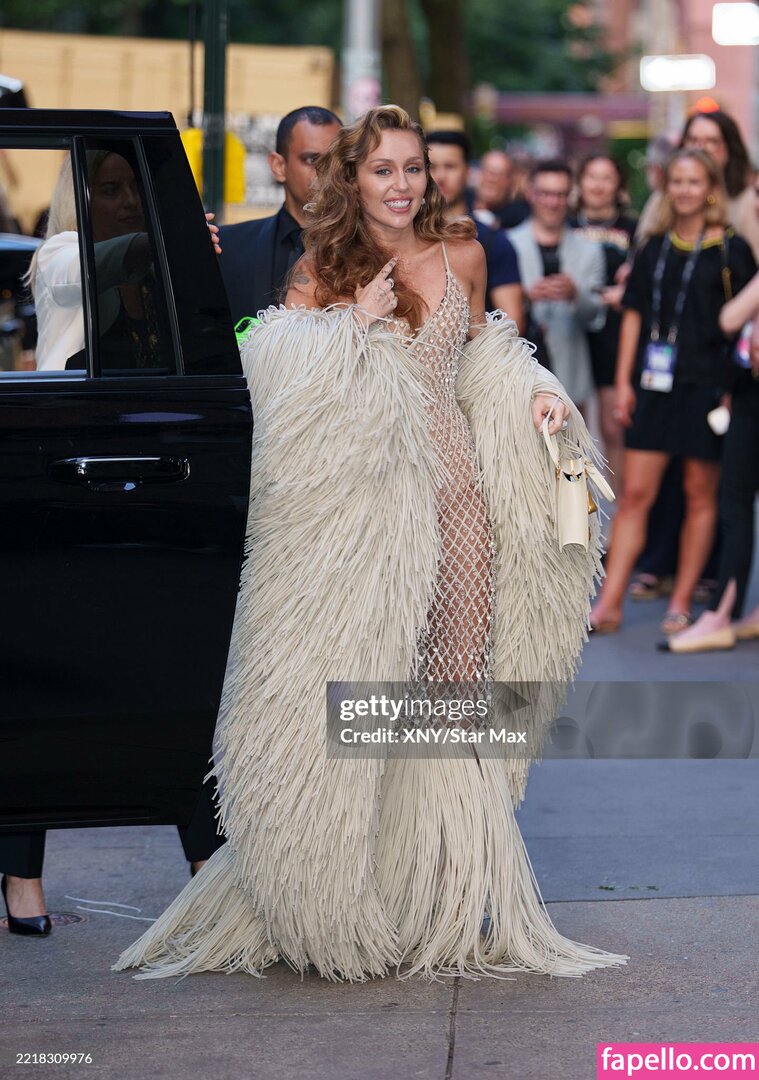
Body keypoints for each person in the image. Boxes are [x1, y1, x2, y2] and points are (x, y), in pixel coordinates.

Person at [115, 105, 625, 983]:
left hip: (458, 505)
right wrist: (350, 322)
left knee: (455, 694)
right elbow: (275, 381)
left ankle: (441, 897)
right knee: (365, 700)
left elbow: (485, 362)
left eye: (413, 168)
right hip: (369, 524)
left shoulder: (461, 253)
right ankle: (354, 892)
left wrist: (537, 393)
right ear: (352, 179)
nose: (401, 185)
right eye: (383, 169)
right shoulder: (321, 268)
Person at [1, 151, 225, 936]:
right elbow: (102, 263)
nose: (128, 199)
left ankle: (208, 868)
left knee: (182, 680)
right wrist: (170, 239)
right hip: (63, 490)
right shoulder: (60, 255)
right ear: (82, 195)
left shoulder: (159, 271)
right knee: (47, 687)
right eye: (113, 187)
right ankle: (21, 878)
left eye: (137, 186)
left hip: (154, 490)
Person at [589, 149, 756, 636]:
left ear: (711, 189)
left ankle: (680, 602)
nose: (684, 190)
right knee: (635, 494)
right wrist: (624, 381)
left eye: (694, 181)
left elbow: (744, 323)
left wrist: (732, 388)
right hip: (653, 384)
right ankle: (609, 605)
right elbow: (633, 316)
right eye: (677, 181)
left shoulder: (731, 249)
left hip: (708, 386)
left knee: (699, 495)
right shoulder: (653, 246)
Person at [662, 268, 759, 652]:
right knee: (735, 501)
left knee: (735, 503)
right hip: (747, 387)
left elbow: (730, 318)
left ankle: (720, 615)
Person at [218, 106, 342, 325]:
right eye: (312, 160)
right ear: (278, 166)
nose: (326, 172)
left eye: (336, 160)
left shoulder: (369, 252)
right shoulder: (225, 246)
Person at [508, 160, 605, 412]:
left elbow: (597, 315)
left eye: (561, 194)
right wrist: (523, 297)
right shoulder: (507, 243)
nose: (553, 202)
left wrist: (575, 294)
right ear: (531, 194)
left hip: (571, 373)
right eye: (546, 193)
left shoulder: (590, 250)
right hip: (517, 374)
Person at [570, 154, 638, 484]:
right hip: (572, 329)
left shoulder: (633, 229)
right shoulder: (566, 224)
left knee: (613, 425)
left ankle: (621, 502)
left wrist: (627, 291)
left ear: (618, 186)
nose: (598, 185)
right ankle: (573, 503)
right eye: (591, 177)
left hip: (614, 331)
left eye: (606, 178)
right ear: (580, 183)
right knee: (571, 423)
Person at [426, 129, 524, 331]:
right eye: (432, 167)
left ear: (468, 172)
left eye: (450, 166)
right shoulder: (403, 233)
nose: (441, 176)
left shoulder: (493, 241)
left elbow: (512, 325)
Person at [474, 149, 530, 229]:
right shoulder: (461, 206)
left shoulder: (520, 220)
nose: (491, 179)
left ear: (510, 181)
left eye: (500, 174)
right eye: (487, 171)